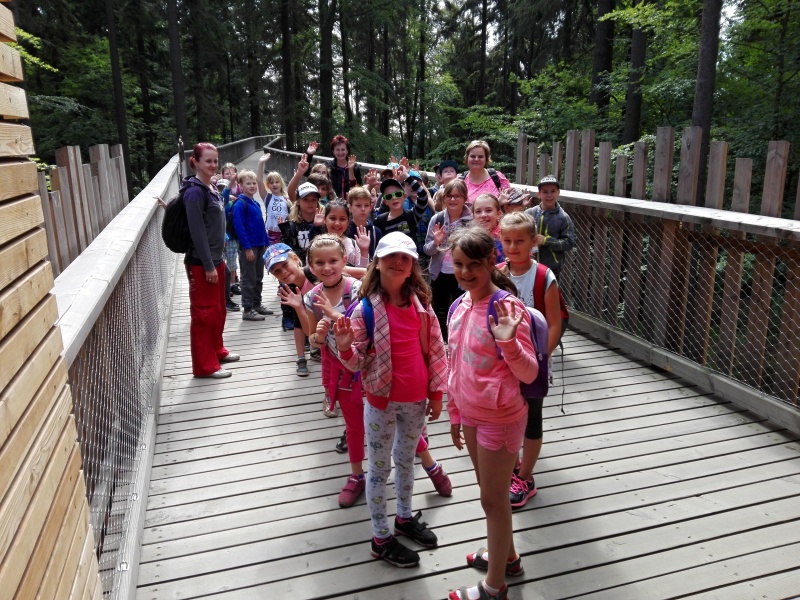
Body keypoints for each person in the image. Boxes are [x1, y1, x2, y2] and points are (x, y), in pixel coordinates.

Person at [333, 231, 447, 568]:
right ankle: (380, 538)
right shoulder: (365, 310)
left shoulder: (421, 305)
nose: (398, 262)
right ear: (378, 263)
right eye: (391, 257)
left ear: (413, 266)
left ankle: (404, 517)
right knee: (380, 469)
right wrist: (343, 347)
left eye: (405, 258)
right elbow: (355, 362)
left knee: (407, 462)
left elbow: (436, 350)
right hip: (381, 401)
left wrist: (437, 394)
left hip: (416, 400)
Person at [446, 227, 538, 600]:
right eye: (458, 264)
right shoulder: (459, 305)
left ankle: (494, 587)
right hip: (471, 411)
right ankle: (508, 558)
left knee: (492, 500)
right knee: (491, 494)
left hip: (500, 418)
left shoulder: (507, 309)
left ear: (490, 262)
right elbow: (455, 362)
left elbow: (528, 372)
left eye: (473, 265)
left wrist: (508, 341)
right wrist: (454, 411)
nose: (465, 272)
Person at [498, 211, 563, 508]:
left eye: (520, 241)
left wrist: (540, 360)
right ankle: (511, 466)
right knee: (508, 414)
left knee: (532, 416)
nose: (513, 247)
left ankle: (526, 476)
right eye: (507, 241)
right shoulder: (497, 273)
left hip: (534, 358)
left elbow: (554, 324)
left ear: (534, 241)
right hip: (504, 360)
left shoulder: (544, 277)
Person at [303, 234, 366, 506]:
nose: (327, 267)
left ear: (344, 261)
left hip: (368, 365)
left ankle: (424, 457)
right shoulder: (311, 298)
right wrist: (318, 335)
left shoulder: (357, 290)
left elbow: (368, 328)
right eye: (319, 263)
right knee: (353, 425)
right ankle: (357, 475)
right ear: (311, 266)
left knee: (389, 415)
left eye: (333, 261)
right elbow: (313, 340)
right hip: (341, 369)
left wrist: (334, 315)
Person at [183, 142, 239, 379]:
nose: (213, 165)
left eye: (215, 160)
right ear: (195, 162)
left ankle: (217, 350)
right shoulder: (194, 192)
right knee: (204, 314)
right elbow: (197, 232)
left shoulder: (210, 187)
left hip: (216, 259)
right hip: (201, 262)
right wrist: (207, 265)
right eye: (208, 161)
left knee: (218, 310)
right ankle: (204, 367)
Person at [423, 179, 473, 341]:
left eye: (457, 196)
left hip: (463, 273)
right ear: (444, 198)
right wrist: (436, 242)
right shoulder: (437, 219)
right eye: (449, 196)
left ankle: (458, 340)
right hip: (440, 272)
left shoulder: (471, 221)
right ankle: (441, 341)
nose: (453, 200)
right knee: (440, 309)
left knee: (461, 308)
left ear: (464, 198)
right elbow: (427, 250)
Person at [267, 243, 316, 377]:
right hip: (316, 321)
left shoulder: (314, 272)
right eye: (277, 271)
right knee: (297, 320)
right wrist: (299, 307)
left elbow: (350, 272)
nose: (283, 272)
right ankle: (301, 357)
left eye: (285, 264)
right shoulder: (289, 290)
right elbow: (299, 325)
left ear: (295, 259)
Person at [232, 170, 272, 321]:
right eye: (248, 183)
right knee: (249, 278)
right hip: (250, 247)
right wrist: (247, 248)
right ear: (241, 186)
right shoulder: (240, 204)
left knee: (258, 277)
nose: (252, 186)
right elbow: (240, 228)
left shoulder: (255, 202)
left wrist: (267, 243)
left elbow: (261, 225)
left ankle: (257, 304)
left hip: (260, 245)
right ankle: (247, 309)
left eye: (254, 183)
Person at [524, 175, 576, 278]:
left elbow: (569, 243)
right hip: (528, 266)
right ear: (539, 194)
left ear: (558, 193)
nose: (549, 195)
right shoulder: (529, 213)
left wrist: (545, 241)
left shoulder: (563, 217)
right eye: (545, 192)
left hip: (551, 270)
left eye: (553, 191)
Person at [310, 200, 371, 267]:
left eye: (342, 219)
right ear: (325, 219)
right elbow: (311, 269)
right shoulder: (317, 244)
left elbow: (364, 270)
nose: (337, 223)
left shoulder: (353, 244)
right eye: (333, 218)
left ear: (348, 222)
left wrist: (364, 251)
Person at [278, 181, 320, 265]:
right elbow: (288, 252)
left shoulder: (324, 223)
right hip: (299, 268)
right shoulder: (291, 225)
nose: (310, 203)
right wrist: (285, 233)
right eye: (305, 199)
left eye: (313, 199)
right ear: (298, 201)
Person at [256, 154, 292, 245]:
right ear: (268, 185)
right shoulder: (267, 197)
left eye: (277, 182)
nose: (274, 184)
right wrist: (260, 163)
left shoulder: (287, 199)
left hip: (284, 233)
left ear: (281, 183)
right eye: (271, 183)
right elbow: (259, 181)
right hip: (270, 235)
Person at [461, 140, 510, 204]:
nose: (476, 159)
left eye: (480, 157)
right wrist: (498, 204)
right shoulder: (460, 180)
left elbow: (509, 204)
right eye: (473, 156)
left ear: (486, 159)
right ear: (467, 158)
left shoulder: (498, 178)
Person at [346, 186, 382, 259]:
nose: (363, 209)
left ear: (370, 208)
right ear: (350, 207)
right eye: (358, 205)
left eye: (366, 205)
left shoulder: (376, 232)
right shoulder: (344, 229)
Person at [325, 134, 362, 199]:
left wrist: (351, 169)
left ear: (347, 151)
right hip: (332, 202)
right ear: (333, 151)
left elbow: (359, 188)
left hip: (350, 202)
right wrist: (310, 155)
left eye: (343, 150)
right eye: (337, 150)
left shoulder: (355, 168)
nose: (340, 152)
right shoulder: (328, 167)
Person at [472, 192, 505, 264]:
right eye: (478, 211)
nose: (483, 215)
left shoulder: (507, 237)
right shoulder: (470, 239)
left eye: (488, 210)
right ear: (473, 216)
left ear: (499, 214)